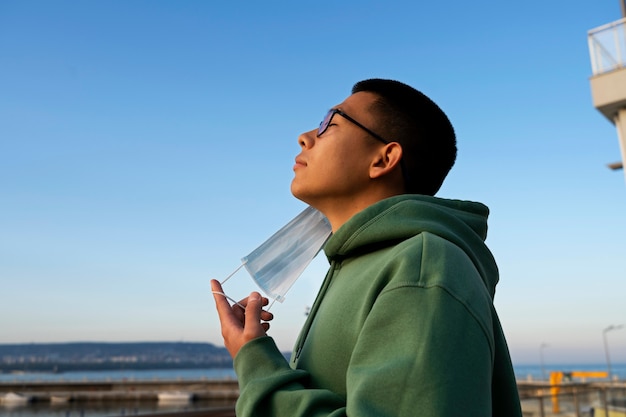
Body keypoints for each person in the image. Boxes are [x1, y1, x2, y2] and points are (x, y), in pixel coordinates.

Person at [211, 78, 522, 417]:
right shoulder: (361, 264)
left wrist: (254, 361)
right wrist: (253, 350)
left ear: (384, 159)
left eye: (329, 123)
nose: (305, 137)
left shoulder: (423, 268)